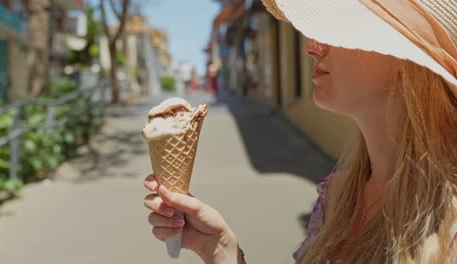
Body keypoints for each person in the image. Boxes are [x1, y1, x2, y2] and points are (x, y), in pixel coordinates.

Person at [143, 0, 456, 263]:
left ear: (407, 57)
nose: (311, 47)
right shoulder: (336, 195)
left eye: (340, 26)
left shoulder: (450, 231)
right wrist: (221, 249)